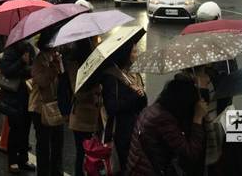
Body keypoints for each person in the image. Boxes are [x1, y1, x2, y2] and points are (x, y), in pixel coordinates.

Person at [126, 74, 207, 176]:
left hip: (138, 167)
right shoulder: (162, 119)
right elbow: (190, 154)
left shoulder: (154, 109)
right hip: (146, 170)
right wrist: (198, 118)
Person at [101, 32, 147, 169]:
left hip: (136, 127)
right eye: (133, 51)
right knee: (122, 166)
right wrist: (134, 96)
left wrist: (141, 95)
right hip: (120, 131)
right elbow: (112, 107)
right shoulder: (112, 77)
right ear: (125, 54)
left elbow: (143, 102)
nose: (137, 54)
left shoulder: (134, 73)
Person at [64, 39, 101, 176]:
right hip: (81, 115)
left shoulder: (93, 63)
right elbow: (78, 92)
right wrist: (94, 90)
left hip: (91, 115)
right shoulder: (74, 65)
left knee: (90, 151)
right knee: (82, 151)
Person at [0, 41, 37, 174]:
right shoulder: (10, 50)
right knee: (15, 129)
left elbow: (33, 68)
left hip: (27, 95)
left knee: (26, 129)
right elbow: (6, 71)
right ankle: (12, 161)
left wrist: (28, 68)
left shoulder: (30, 48)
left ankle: (23, 159)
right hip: (13, 97)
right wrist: (21, 62)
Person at [29, 36, 64, 176]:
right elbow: (43, 82)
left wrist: (59, 65)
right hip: (40, 108)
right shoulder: (39, 60)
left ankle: (56, 171)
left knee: (58, 142)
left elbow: (62, 77)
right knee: (43, 144)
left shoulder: (54, 58)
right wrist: (53, 68)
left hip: (55, 106)